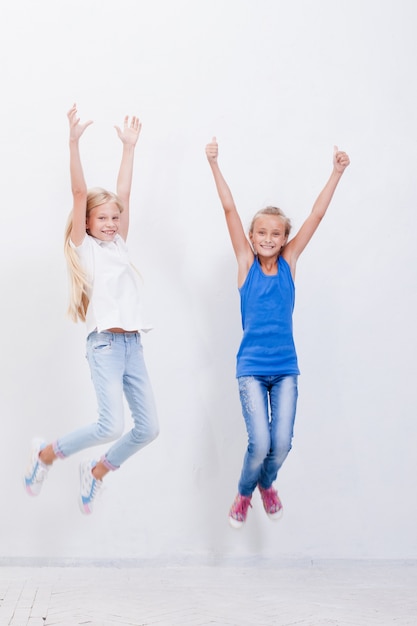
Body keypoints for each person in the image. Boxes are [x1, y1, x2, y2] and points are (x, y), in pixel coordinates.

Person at [205, 137, 350, 528]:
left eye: (275, 234)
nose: (268, 239)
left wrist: (336, 172)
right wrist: (215, 164)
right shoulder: (244, 265)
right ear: (252, 238)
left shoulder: (289, 262)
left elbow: (315, 218)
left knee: (281, 444)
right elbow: (229, 208)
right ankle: (242, 493)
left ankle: (266, 484)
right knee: (261, 443)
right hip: (251, 369)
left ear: (284, 239)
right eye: (261, 234)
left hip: (286, 369)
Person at [24, 104, 159, 514]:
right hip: (103, 346)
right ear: (86, 221)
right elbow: (79, 193)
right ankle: (47, 454)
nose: (112, 223)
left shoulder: (118, 245)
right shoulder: (86, 252)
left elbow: (125, 193)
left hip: (133, 346)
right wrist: (73, 141)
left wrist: (129, 149)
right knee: (110, 425)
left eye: (115, 218)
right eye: (102, 218)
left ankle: (97, 472)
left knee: (149, 428)